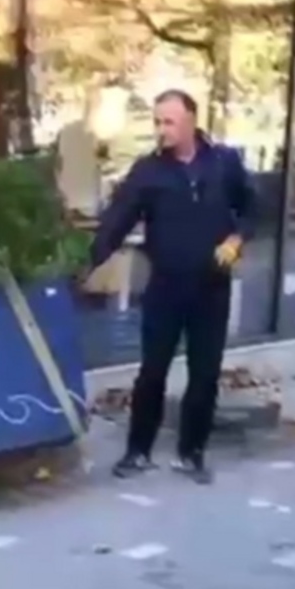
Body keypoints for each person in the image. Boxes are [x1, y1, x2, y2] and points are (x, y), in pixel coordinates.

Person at [87, 90, 258, 485]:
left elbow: (252, 209)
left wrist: (236, 240)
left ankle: (191, 453)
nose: (162, 130)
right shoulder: (147, 171)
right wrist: (87, 261)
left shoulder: (224, 164)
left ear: (191, 121)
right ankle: (138, 450)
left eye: (170, 122)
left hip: (212, 287)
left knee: (205, 374)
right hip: (166, 285)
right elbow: (117, 221)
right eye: (158, 122)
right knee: (152, 372)